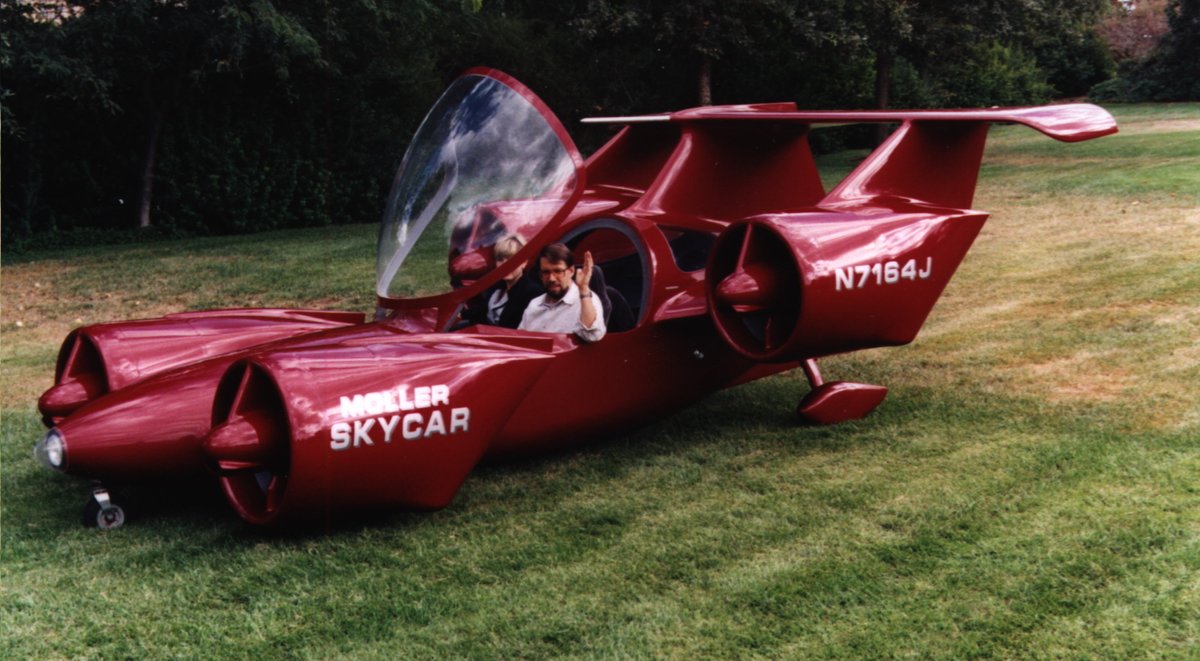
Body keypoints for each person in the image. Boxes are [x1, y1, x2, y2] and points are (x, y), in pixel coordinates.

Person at [519, 243, 606, 343]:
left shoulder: (586, 300)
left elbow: (592, 336)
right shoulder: (534, 304)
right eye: (546, 272)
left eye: (558, 271)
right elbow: (519, 342)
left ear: (571, 271)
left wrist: (583, 289)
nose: (551, 278)